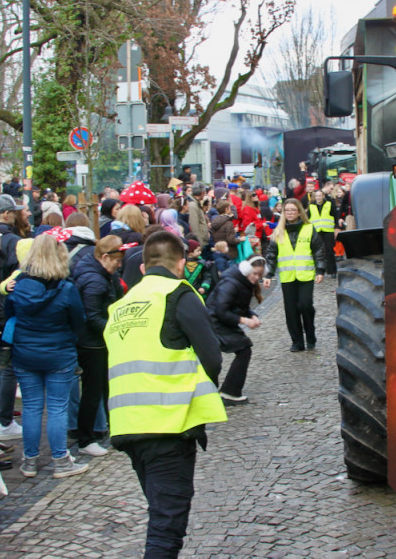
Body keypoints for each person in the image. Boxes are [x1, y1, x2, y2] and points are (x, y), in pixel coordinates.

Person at [104, 231, 227, 558]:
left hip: (127, 426)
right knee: (166, 523)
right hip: (169, 424)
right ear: (182, 265)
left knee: (160, 510)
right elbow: (212, 357)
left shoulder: (120, 306)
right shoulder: (178, 294)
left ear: (143, 268)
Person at [5, 234, 89, 479]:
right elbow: (79, 321)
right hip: (59, 353)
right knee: (57, 408)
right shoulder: (66, 289)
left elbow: (10, 314)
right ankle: (60, 461)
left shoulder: (18, 285)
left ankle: (29, 461)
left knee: (31, 407)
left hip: (25, 352)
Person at [71, 235, 124, 458]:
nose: (119, 265)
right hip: (92, 344)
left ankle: (110, 430)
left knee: (102, 389)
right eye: (117, 260)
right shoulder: (95, 280)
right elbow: (92, 316)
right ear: (104, 257)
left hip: (96, 341)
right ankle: (86, 438)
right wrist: (115, 332)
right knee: (93, 392)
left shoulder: (102, 275)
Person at [263, 199, 326, 351]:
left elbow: (318, 250)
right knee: (291, 310)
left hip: (306, 275)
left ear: (299, 212)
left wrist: (320, 270)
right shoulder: (278, 231)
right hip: (287, 276)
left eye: (293, 210)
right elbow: (271, 254)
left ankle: (310, 336)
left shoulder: (309, 228)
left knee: (305, 305)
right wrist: (268, 274)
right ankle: (297, 342)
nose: (290, 213)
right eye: (287, 210)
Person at [207, 256, 264, 403]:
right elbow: (221, 310)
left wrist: (252, 315)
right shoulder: (231, 283)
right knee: (243, 349)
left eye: (260, 275)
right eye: (255, 274)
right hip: (215, 322)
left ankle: (227, 391)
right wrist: (245, 320)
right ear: (246, 269)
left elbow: (239, 305)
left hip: (220, 321)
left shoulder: (243, 280)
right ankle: (229, 392)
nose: (257, 278)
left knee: (242, 350)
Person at [307, 190, 337, 277]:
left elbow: (335, 216)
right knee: (318, 252)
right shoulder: (311, 206)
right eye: (317, 196)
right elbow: (307, 219)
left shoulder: (329, 204)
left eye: (320, 196)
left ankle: (332, 271)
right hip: (316, 231)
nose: (318, 198)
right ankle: (319, 271)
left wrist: (337, 227)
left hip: (328, 230)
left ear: (323, 196)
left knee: (329, 251)